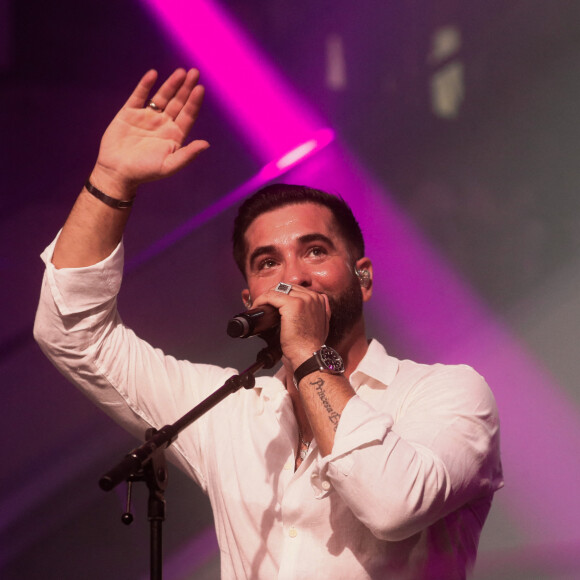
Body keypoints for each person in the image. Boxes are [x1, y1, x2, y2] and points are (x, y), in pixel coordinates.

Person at [34, 68, 503, 579]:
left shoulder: (449, 393)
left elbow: (392, 506)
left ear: (362, 278)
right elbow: (72, 332)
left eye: (315, 251)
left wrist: (307, 352)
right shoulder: (229, 412)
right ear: (249, 296)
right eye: (267, 263)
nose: (293, 277)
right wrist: (110, 181)